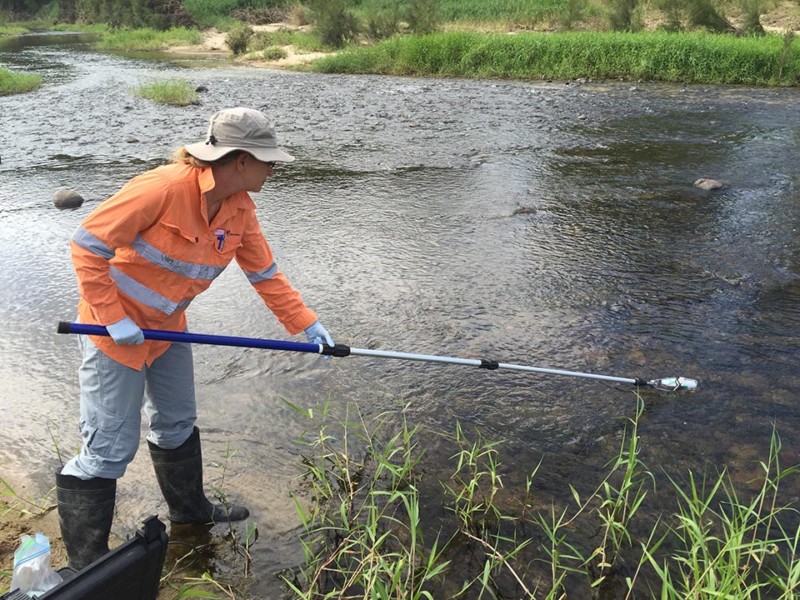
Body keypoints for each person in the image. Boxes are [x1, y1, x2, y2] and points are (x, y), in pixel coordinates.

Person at [57, 107, 334, 571]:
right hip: (113, 335)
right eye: (268, 160)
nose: (274, 168)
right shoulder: (162, 188)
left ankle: (190, 514)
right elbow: (87, 247)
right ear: (239, 160)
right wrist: (111, 317)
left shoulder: (240, 207)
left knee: (178, 421)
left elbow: (264, 274)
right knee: (108, 448)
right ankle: (88, 565)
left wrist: (306, 322)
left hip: (167, 329)